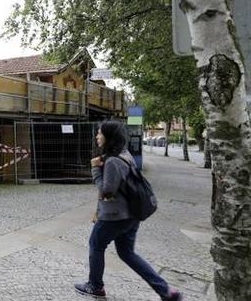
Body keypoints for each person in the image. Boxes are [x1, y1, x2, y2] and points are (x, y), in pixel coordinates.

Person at [74, 120, 182, 301]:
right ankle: (166, 292)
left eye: (100, 133)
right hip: (131, 214)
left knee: (96, 245)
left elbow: (107, 192)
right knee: (127, 253)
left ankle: (95, 286)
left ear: (108, 137)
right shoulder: (125, 155)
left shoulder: (113, 162)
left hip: (115, 217)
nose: (97, 136)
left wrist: (95, 170)